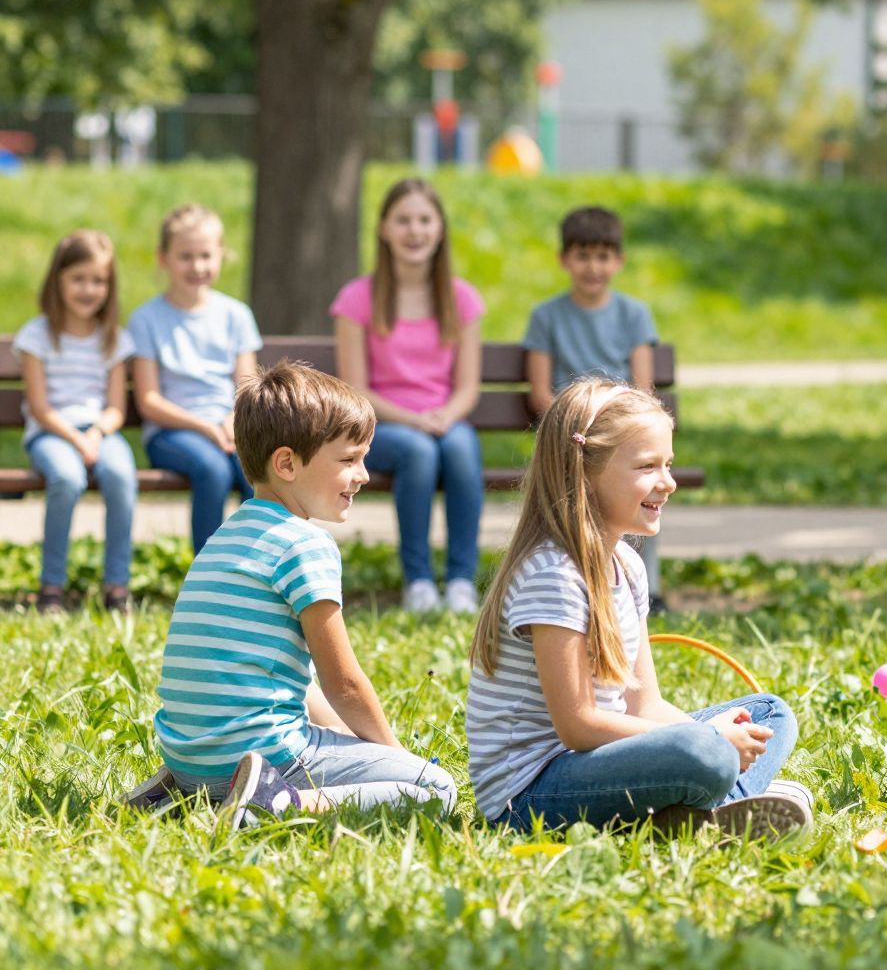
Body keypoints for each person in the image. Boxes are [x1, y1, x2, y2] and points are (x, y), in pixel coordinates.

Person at [465, 379, 812, 835]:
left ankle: (698, 812)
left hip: (598, 761)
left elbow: (644, 703)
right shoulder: (553, 575)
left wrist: (714, 735)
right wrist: (708, 742)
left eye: (667, 464)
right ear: (584, 474)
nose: (667, 482)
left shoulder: (626, 565)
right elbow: (578, 726)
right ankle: (720, 811)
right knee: (703, 753)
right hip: (529, 795)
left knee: (770, 714)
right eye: (647, 466)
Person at [154, 362, 457, 822]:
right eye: (348, 460)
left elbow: (295, 678)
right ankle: (277, 803)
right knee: (436, 789)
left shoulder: (226, 535)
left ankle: (184, 796)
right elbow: (345, 683)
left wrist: (344, 741)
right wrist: (398, 758)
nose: (364, 475)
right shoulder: (306, 543)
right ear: (287, 463)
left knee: (351, 749)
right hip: (265, 756)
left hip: (189, 760)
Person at [331, 179, 486, 614]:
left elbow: (468, 387)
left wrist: (443, 416)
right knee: (418, 451)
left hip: (444, 420)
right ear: (383, 229)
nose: (414, 231)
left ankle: (460, 582)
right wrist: (416, 420)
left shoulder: (461, 298)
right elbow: (354, 389)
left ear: (439, 228)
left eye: (424, 220)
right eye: (403, 220)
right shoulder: (357, 298)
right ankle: (418, 582)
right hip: (380, 425)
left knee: (460, 446)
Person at [522, 206, 662, 595]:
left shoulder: (634, 315)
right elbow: (540, 394)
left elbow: (642, 390)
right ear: (564, 259)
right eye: (582, 255)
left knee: (642, 481)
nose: (592, 266)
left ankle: (644, 586)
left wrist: (617, 428)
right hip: (569, 432)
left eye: (602, 256)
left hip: (622, 431)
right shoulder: (545, 316)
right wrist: (578, 424)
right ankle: (574, 579)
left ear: (619, 261)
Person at [16, 231, 137, 612]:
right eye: (79, 279)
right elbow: (39, 406)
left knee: (121, 475)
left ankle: (116, 585)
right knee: (67, 479)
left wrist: (97, 433)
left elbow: (116, 407)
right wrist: (75, 438)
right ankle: (51, 586)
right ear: (58, 280)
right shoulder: (37, 336)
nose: (89, 289)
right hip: (51, 434)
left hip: (99, 432)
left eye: (98, 281)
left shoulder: (113, 339)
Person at [130, 204, 261, 553]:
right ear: (163, 258)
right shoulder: (146, 319)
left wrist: (232, 421)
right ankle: (206, 576)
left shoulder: (235, 315)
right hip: (172, 433)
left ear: (221, 255)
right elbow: (149, 401)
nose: (197, 266)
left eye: (206, 255)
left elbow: (247, 387)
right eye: (185, 256)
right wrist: (204, 427)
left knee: (259, 471)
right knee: (212, 470)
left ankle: (256, 569)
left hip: (230, 428)